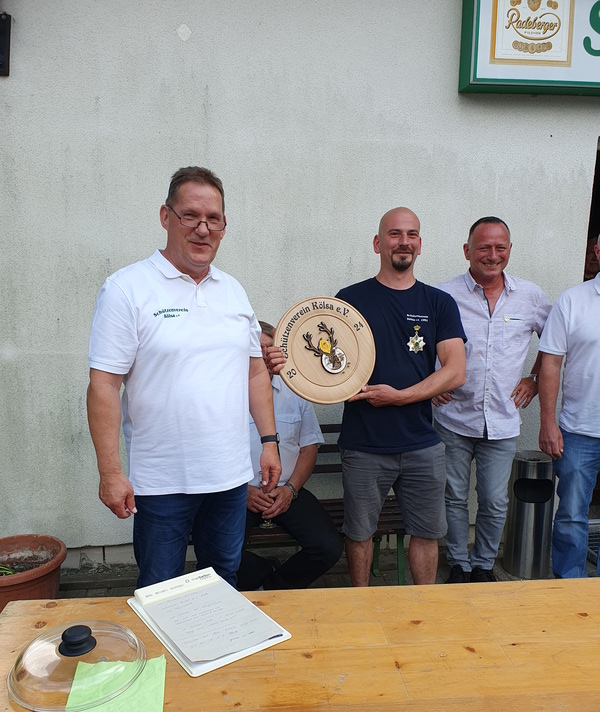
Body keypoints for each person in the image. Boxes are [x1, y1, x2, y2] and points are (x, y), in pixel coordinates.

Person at [87, 167, 281, 589]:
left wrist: (269, 441)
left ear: (224, 226)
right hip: (162, 481)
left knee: (224, 578)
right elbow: (104, 385)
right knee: (161, 587)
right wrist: (111, 472)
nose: (202, 228)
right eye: (190, 215)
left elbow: (254, 372)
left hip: (230, 476)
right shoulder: (126, 289)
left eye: (213, 219)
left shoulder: (233, 291)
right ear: (166, 216)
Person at [329, 207, 466, 586]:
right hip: (364, 444)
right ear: (378, 243)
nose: (403, 242)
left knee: (426, 532)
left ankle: (423, 607)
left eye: (411, 234)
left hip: (422, 444)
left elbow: (456, 370)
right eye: (394, 234)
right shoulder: (348, 300)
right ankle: (361, 605)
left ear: (420, 244)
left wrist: (402, 396)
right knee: (359, 533)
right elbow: (327, 363)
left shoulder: (439, 303)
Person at [433, 217, 551, 583]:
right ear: (467, 250)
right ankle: (458, 563)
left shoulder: (530, 296)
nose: (492, 255)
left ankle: (483, 564)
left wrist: (534, 378)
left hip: (501, 419)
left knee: (495, 500)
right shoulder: (443, 295)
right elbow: (419, 344)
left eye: (500, 247)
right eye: (484, 247)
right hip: (453, 417)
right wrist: (431, 382)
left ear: (510, 250)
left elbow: (555, 342)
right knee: (453, 497)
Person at [236, 322, 343, 590]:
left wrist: (291, 490)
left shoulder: (296, 392)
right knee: (217, 552)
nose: (263, 355)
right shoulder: (227, 393)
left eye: (268, 348)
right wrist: (243, 491)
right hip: (240, 494)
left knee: (328, 547)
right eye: (256, 348)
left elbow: (309, 448)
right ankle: (264, 571)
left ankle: (274, 588)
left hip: (287, 491)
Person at [538, 234, 600, 578]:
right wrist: (548, 422)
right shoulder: (572, 300)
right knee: (572, 515)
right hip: (579, 430)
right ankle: (570, 586)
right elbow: (550, 364)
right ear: (597, 251)